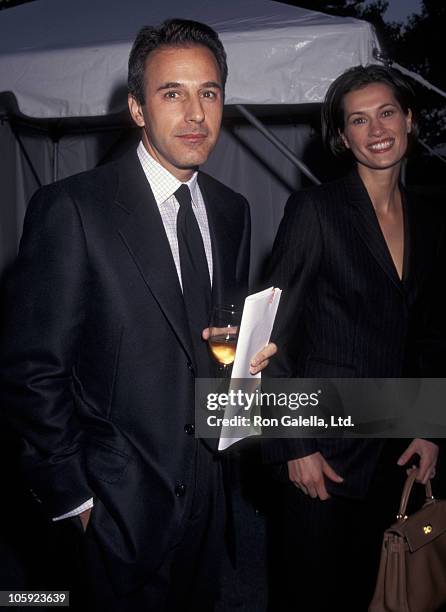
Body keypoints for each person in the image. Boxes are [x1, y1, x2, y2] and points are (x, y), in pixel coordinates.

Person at [0, 19, 276, 612]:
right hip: (114, 505)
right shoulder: (71, 208)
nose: (196, 113)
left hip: (208, 491)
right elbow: (30, 372)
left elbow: (205, 343)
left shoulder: (233, 211)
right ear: (136, 109)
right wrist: (76, 501)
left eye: (209, 92)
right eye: (172, 93)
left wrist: (246, 369)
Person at [264, 64, 445, 611]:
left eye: (387, 113)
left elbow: (432, 334)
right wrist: (297, 446)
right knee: (311, 595)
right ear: (343, 138)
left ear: (410, 120)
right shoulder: (315, 211)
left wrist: (429, 428)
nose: (377, 129)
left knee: (377, 593)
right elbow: (269, 341)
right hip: (323, 454)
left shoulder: (432, 218)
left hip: (393, 454)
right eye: (359, 121)